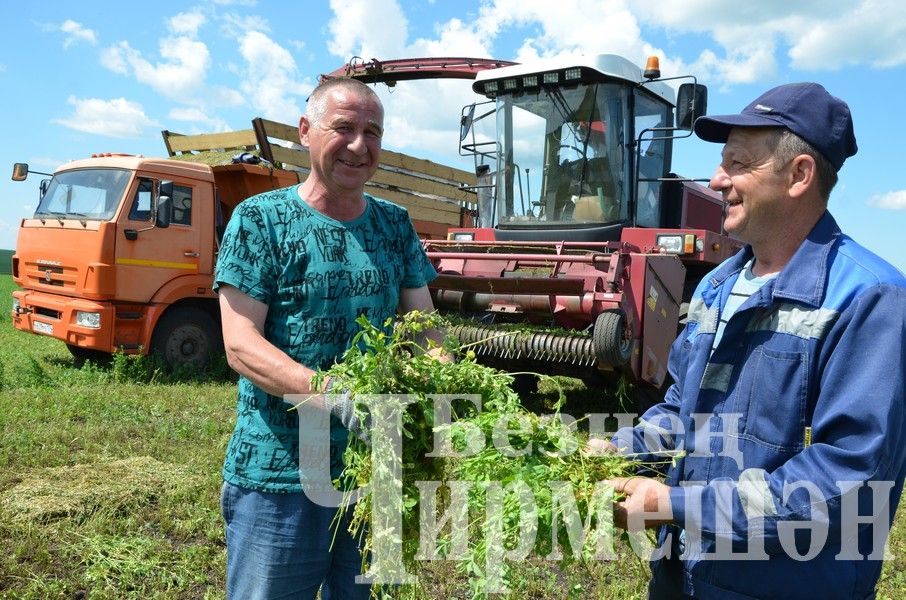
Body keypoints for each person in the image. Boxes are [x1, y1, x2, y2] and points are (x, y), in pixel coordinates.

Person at [595, 82, 906, 598]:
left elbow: (846, 480)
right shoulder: (719, 286)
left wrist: (676, 505)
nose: (717, 181)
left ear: (799, 175)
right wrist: (613, 449)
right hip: (683, 576)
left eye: (738, 164)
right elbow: (681, 408)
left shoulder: (870, 299)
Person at [213, 77, 441, 599]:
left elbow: (426, 328)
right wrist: (332, 394)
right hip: (281, 478)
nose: (360, 146)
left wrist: (442, 386)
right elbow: (240, 344)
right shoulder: (261, 220)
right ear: (305, 132)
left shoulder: (394, 224)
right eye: (343, 128)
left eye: (372, 132)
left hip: (374, 474)